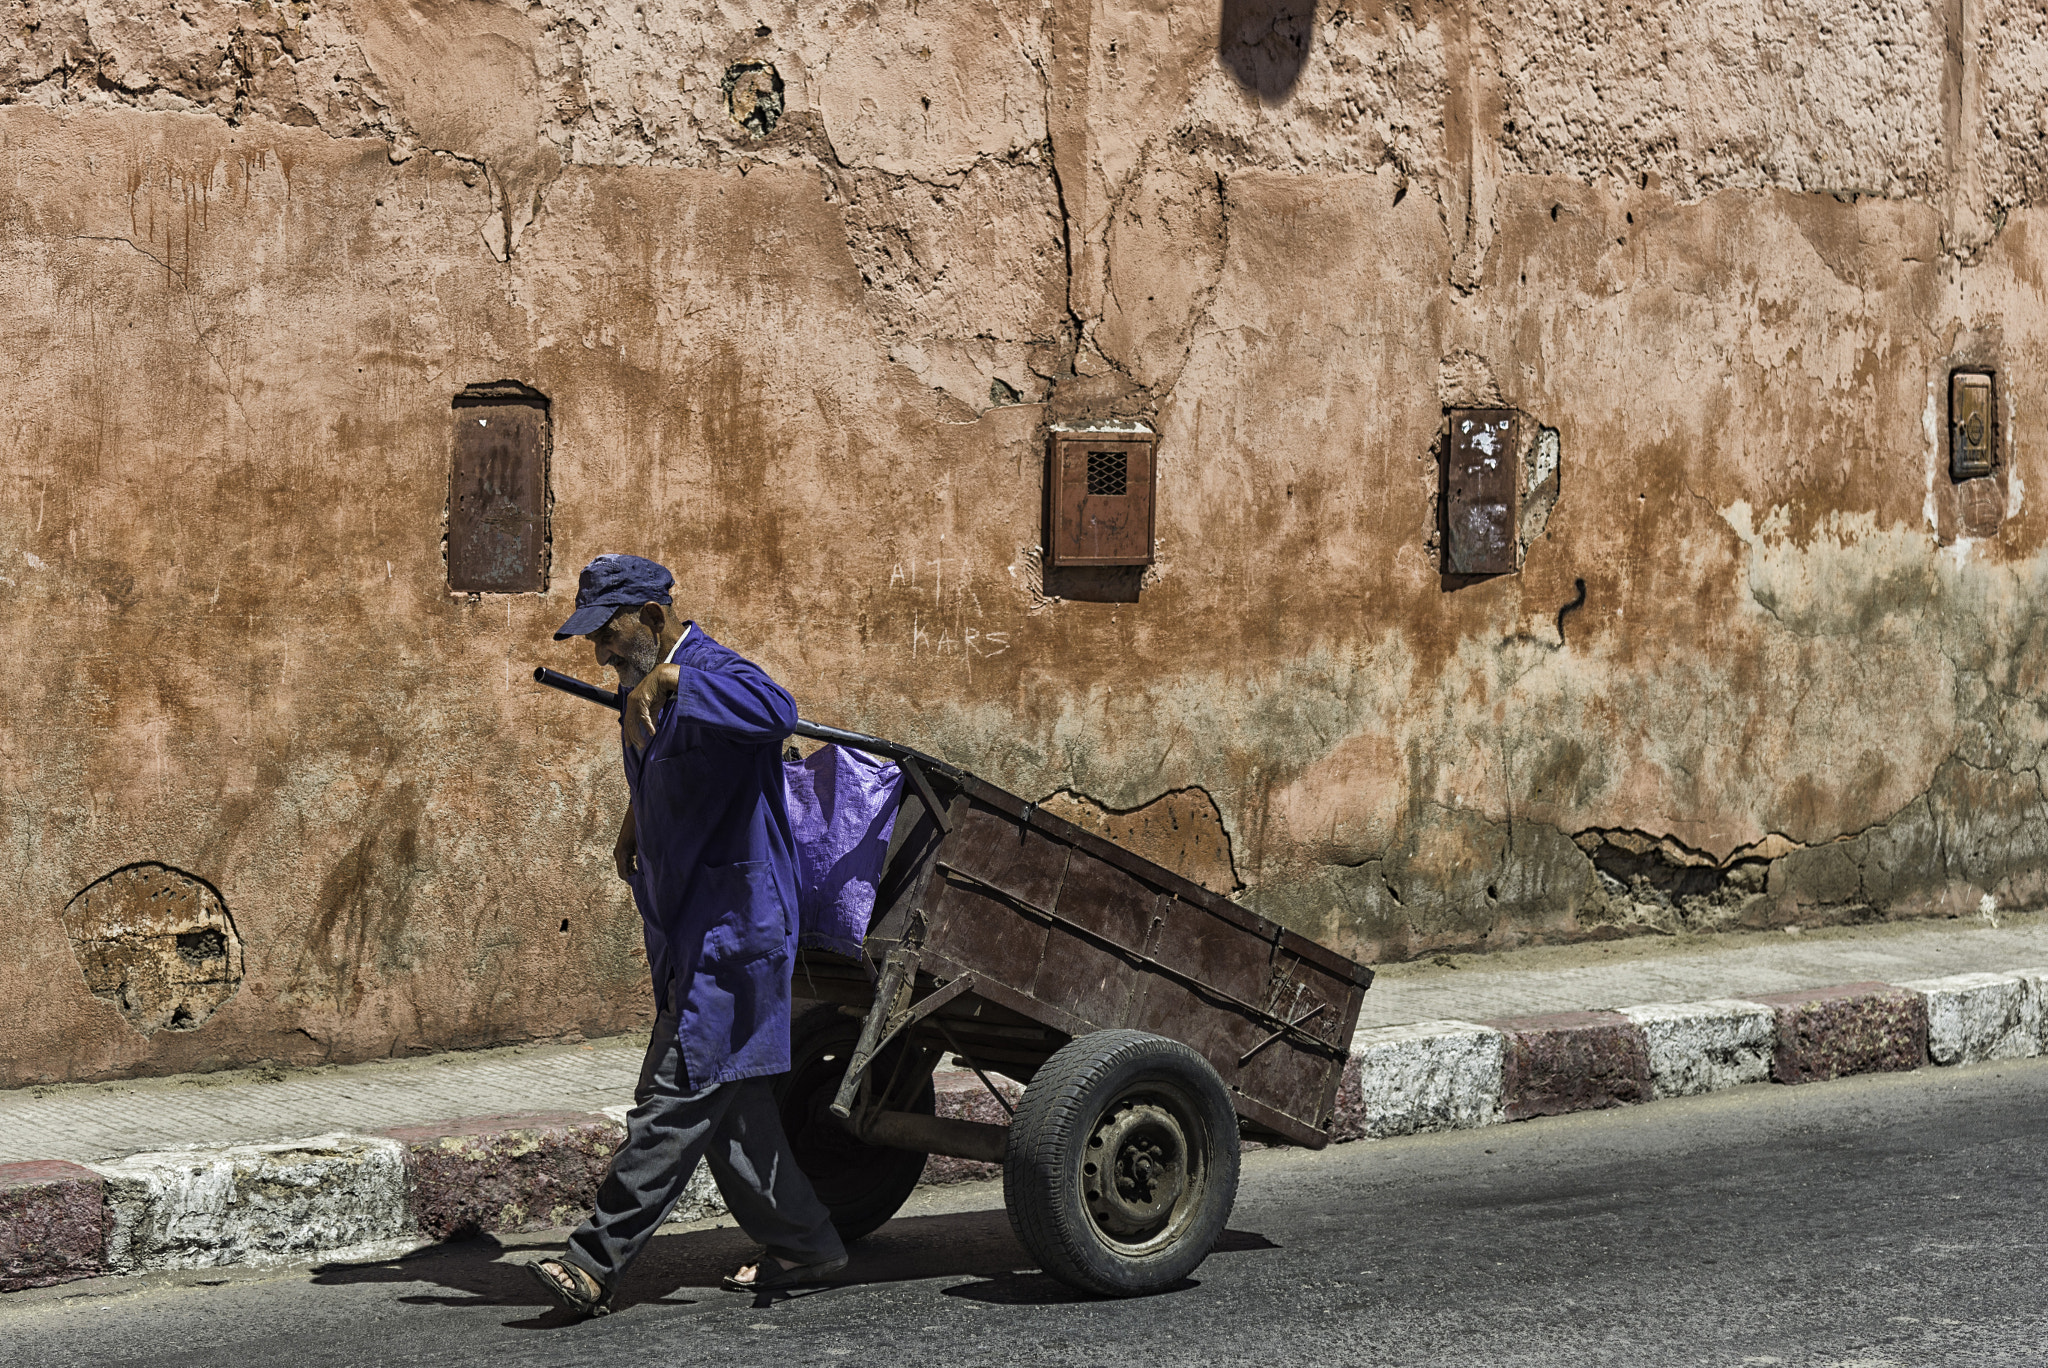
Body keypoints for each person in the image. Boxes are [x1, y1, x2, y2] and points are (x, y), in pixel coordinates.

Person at [528, 553, 847, 1316]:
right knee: (732, 1112)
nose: (602, 653)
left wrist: (672, 682)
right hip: (684, 928)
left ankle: (595, 1264)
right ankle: (809, 1245)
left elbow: (777, 709)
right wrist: (634, 820)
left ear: (650, 617)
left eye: (608, 635)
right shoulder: (633, 690)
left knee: (671, 1100)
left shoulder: (708, 671)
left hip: (734, 930)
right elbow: (665, 769)